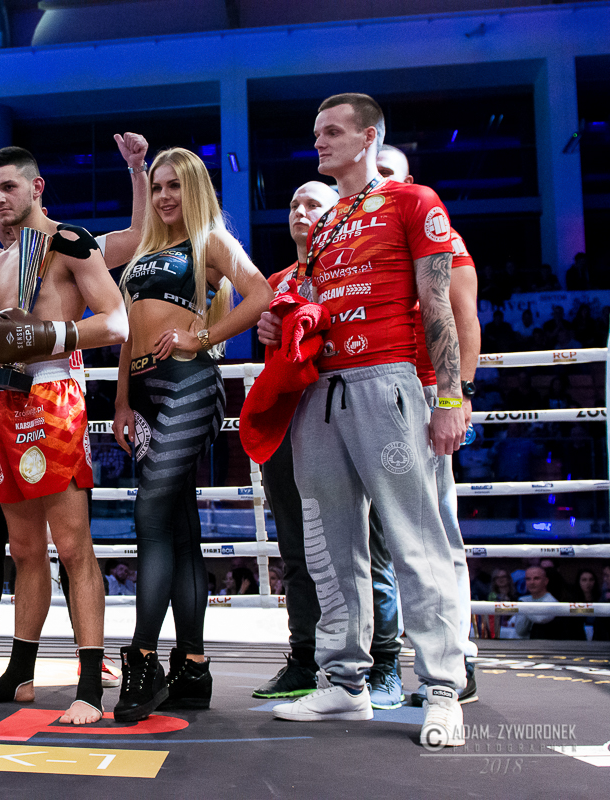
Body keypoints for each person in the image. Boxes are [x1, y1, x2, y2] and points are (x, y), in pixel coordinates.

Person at [257, 94, 468, 748]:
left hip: (389, 383)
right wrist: (279, 324)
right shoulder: (324, 224)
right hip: (321, 392)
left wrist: (450, 398)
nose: (319, 141)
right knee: (330, 543)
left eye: (332, 131)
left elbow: (439, 304)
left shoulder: (414, 201)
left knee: (414, 540)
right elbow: (312, 303)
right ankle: (344, 683)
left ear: (368, 136)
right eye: (316, 131)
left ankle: (442, 689)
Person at [0, 133, 149, 687]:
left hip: (53, 399)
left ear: (36, 187)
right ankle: (16, 674)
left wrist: (46, 334)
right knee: (24, 549)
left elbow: (116, 322)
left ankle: (90, 682)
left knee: (72, 546)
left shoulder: (71, 242)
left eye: (8, 187)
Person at [110, 146, 272, 722]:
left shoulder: (211, 240)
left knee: (151, 516)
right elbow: (128, 331)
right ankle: (193, 667)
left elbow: (261, 294)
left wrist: (200, 338)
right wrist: (121, 400)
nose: (163, 196)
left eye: (174, 185)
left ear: (196, 189)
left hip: (188, 386)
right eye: (157, 186)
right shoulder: (145, 251)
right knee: (178, 531)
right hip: (144, 394)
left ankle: (142, 659)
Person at [376, 144, 484, 708]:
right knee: (385, 538)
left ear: (409, 179)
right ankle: (384, 662)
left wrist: (454, 396)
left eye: (388, 174)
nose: (379, 184)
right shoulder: (354, 232)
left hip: (423, 391)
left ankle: (456, 656)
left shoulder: (439, 233)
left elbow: (463, 317)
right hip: (371, 394)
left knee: (436, 527)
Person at [251, 181, 338, 703]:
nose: (300, 212)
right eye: (293, 205)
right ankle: (303, 658)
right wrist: (267, 330)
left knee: (362, 545)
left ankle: (379, 661)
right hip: (288, 423)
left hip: (341, 417)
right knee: (294, 546)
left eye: (313, 205)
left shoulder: (350, 272)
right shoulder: (277, 281)